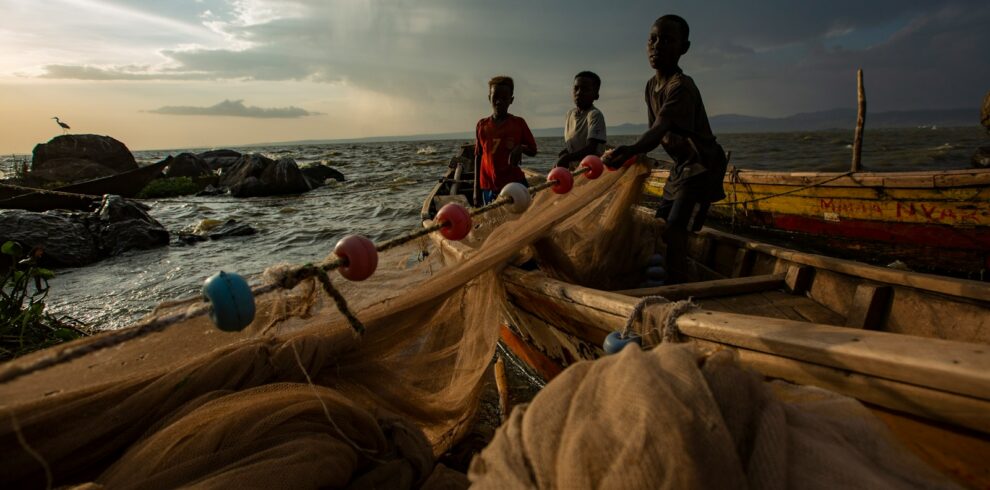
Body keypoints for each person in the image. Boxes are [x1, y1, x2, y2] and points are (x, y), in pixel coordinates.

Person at [603, 14, 728, 284]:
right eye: (653, 39)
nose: (657, 46)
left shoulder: (681, 87)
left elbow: (660, 127)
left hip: (702, 164)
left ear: (684, 48)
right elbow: (654, 134)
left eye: (668, 40)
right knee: (659, 224)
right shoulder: (651, 87)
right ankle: (669, 274)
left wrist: (632, 148)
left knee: (674, 229)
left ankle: (679, 287)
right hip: (681, 167)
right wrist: (632, 154)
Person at [474, 76, 538, 206]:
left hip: (514, 182)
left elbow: (533, 150)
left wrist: (520, 148)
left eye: (504, 98)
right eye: (495, 97)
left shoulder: (518, 123)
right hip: (488, 185)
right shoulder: (482, 125)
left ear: (511, 100)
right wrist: (476, 190)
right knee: (494, 219)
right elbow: (478, 156)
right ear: (489, 98)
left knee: (521, 217)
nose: (499, 102)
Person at [555, 71, 607, 169]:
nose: (579, 92)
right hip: (575, 169)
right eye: (576, 88)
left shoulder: (594, 115)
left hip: (590, 170)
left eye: (585, 89)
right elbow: (577, 145)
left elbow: (591, 149)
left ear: (596, 95)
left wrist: (567, 158)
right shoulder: (569, 114)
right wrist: (566, 153)